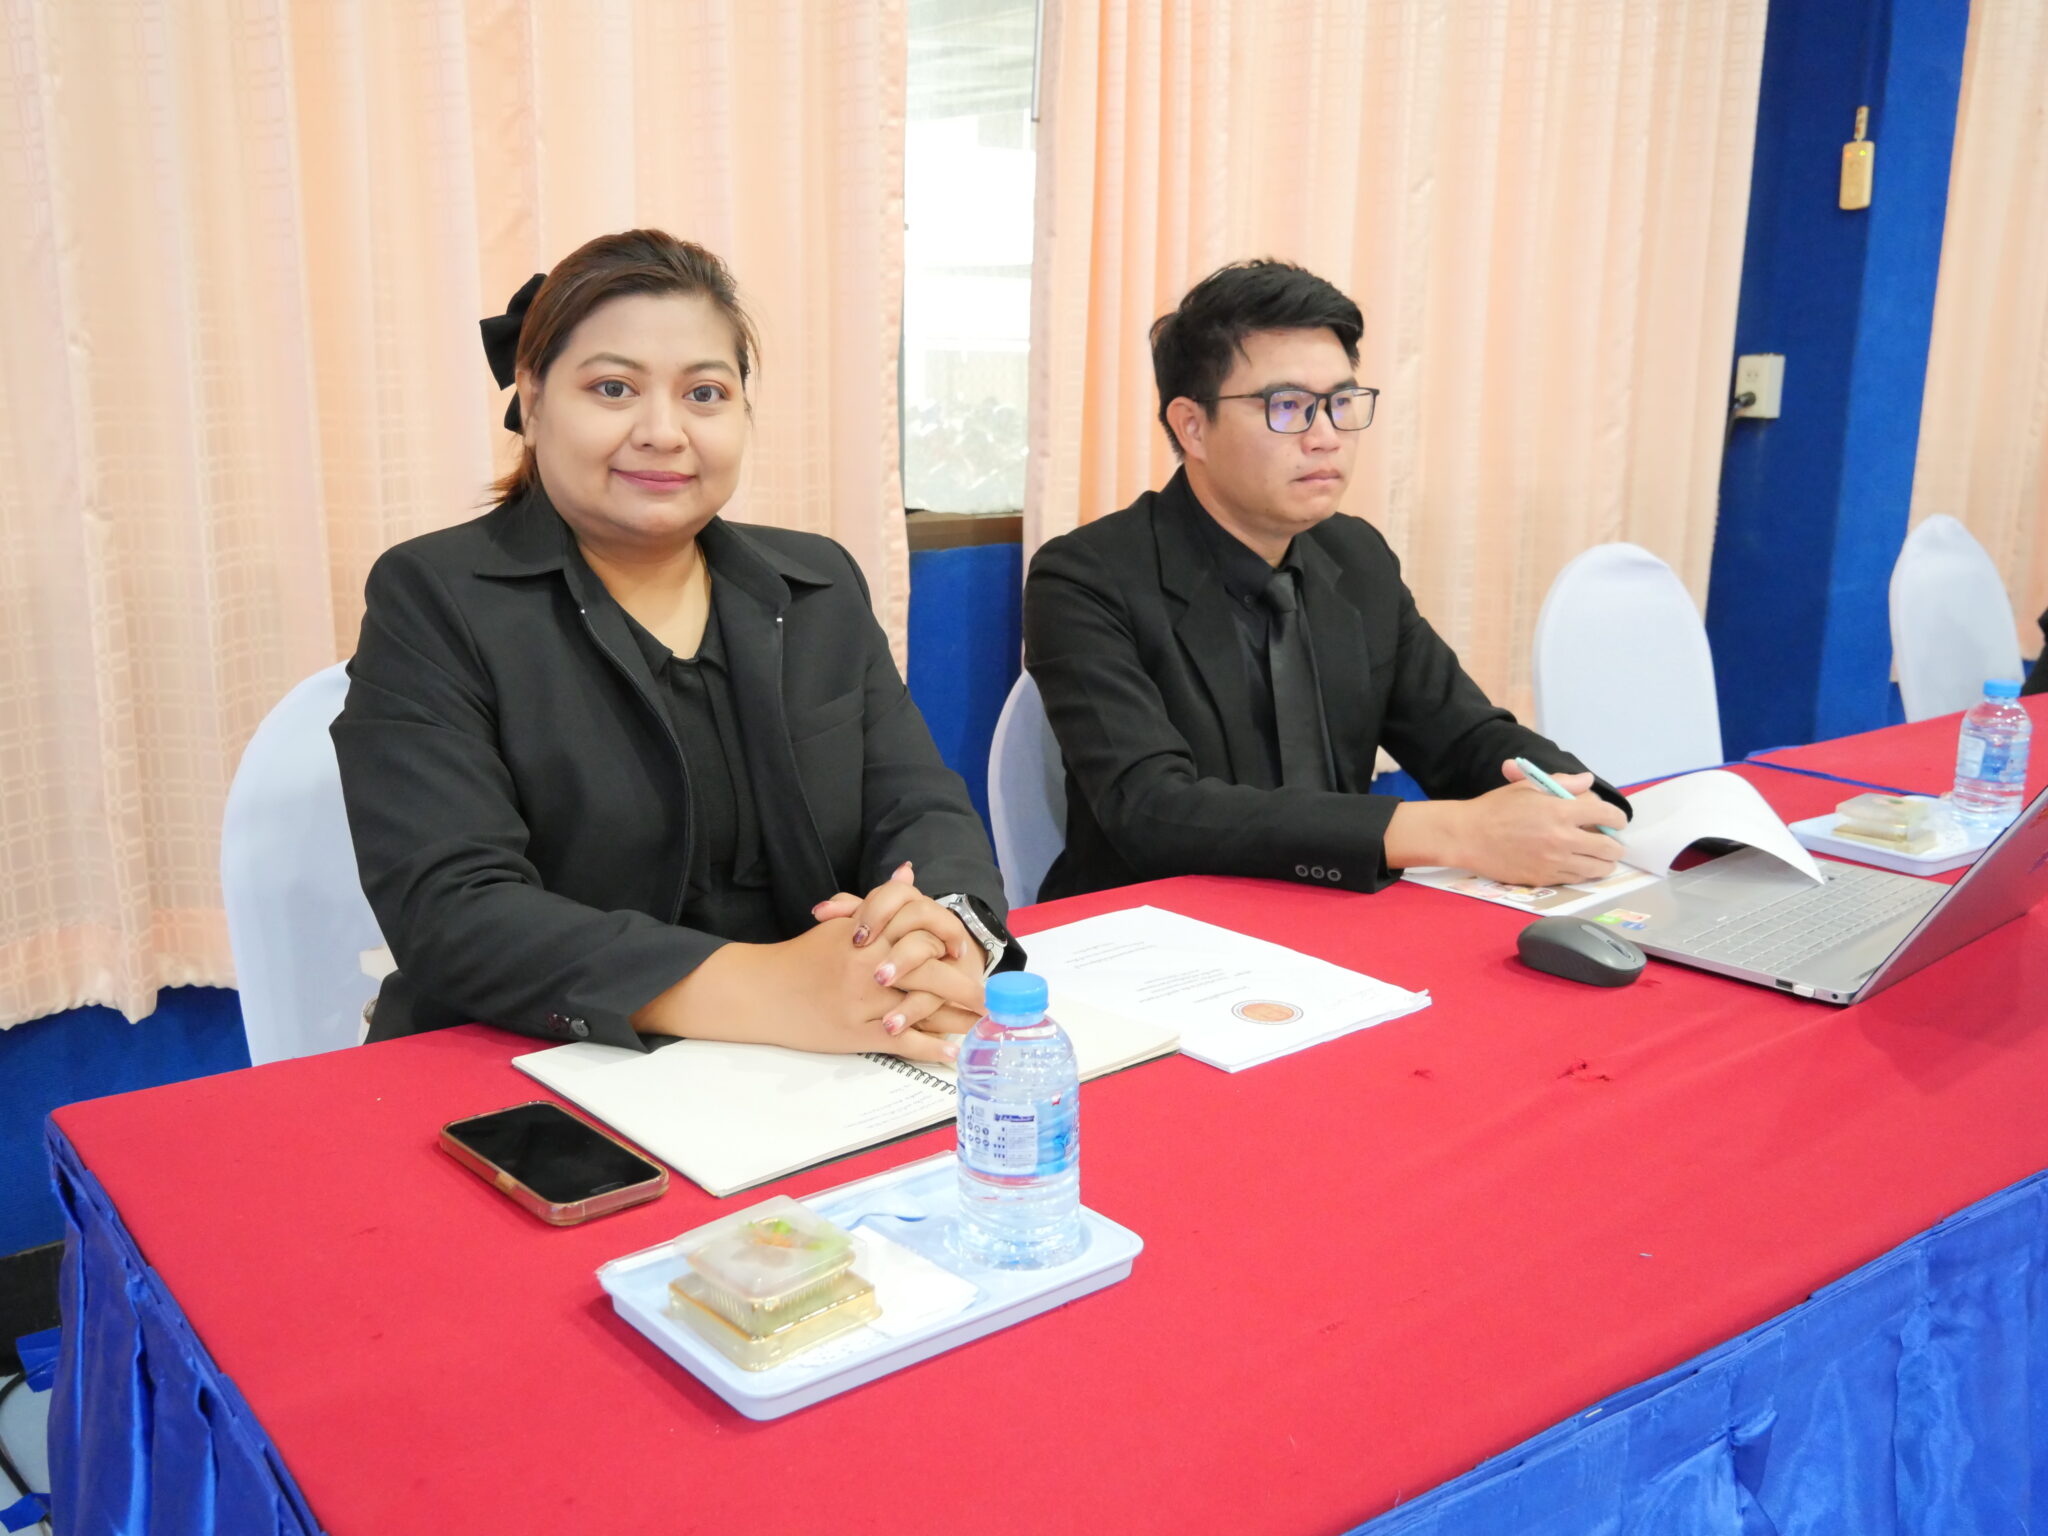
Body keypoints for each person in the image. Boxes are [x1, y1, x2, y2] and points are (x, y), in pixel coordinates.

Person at [333, 229, 1013, 1066]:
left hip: (812, 1060)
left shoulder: (818, 585)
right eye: (613, 388)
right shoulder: (433, 597)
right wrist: (777, 989)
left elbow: (919, 806)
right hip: (538, 1062)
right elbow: (453, 910)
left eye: (705, 393)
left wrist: (939, 932)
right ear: (533, 400)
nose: (663, 431)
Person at [1023, 258, 1630, 903]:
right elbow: (1152, 808)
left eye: (1341, 403)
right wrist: (1453, 831)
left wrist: (1581, 804)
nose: (1326, 437)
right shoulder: (1085, 577)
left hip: (1337, 913)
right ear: (1192, 427)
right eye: (1287, 406)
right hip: (1161, 923)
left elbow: (1463, 734)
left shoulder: (1356, 556)